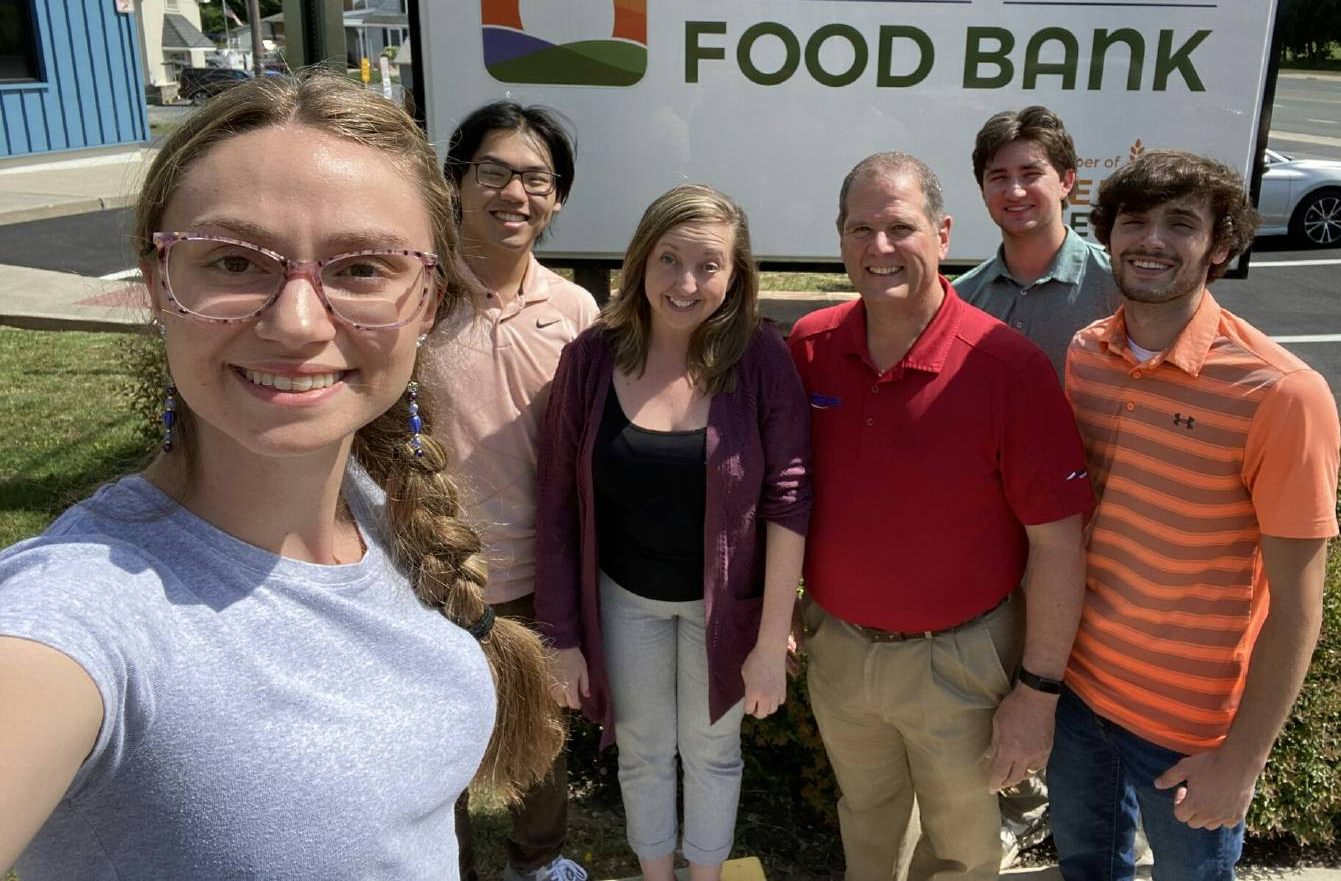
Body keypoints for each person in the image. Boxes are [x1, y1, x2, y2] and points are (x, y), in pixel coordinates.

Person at [0, 73, 561, 879]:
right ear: (159, 282)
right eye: (233, 260)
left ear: (428, 298)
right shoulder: (82, 614)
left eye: (362, 268)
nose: (297, 321)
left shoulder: (376, 509)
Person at [786, 152, 1093, 881]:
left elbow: (1058, 544)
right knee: (866, 820)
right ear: (839, 237)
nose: (880, 247)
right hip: (840, 649)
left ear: (944, 233)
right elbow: (783, 494)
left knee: (963, 846)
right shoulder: (811, 346)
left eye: (901, 227)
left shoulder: (1007, 367)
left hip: (959, 660)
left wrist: (1038, 691)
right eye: (862, 228)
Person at [1051, 150, 1340, 881]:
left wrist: (1243, 757)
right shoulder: (1087, 353)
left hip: (1191, 732)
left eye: (1180, 223)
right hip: (1078, 695)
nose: (1151, 239)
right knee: (1088, 868)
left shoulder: (1281, 393)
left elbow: (1299, 606)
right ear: (1106, 234)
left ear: (1220, 245)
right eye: (1134, 220)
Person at [535, 185, 811, 881]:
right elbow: (559, 505)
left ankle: (707, 876)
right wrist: (560, 636)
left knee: (714, 751)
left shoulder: (759, 359)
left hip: (724, 609)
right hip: (624, 599)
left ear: (736, 274)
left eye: (709, 265)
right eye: (669, 260)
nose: (686, 283)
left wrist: (773, 638)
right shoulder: (592, 358)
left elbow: (790, 499)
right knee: (643, 748)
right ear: (640, 260)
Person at [430, 101, 598, 881]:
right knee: (436, 748)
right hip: (424, 569)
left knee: (539, 738)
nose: (515, 193)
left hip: (540, 574)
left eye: (536, 178)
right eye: (493, 173)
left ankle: (540, 863)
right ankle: (445, 866)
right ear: (458, 181)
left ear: (557, 197)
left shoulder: (574, 312)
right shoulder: (415, 296)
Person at [952, 106, 1121, 378]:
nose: (1015, 191)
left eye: (1030, 174)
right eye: (999, 177)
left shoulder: (1116, 283)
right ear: (982, 188)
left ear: (1066, 181)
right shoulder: (962, 297)